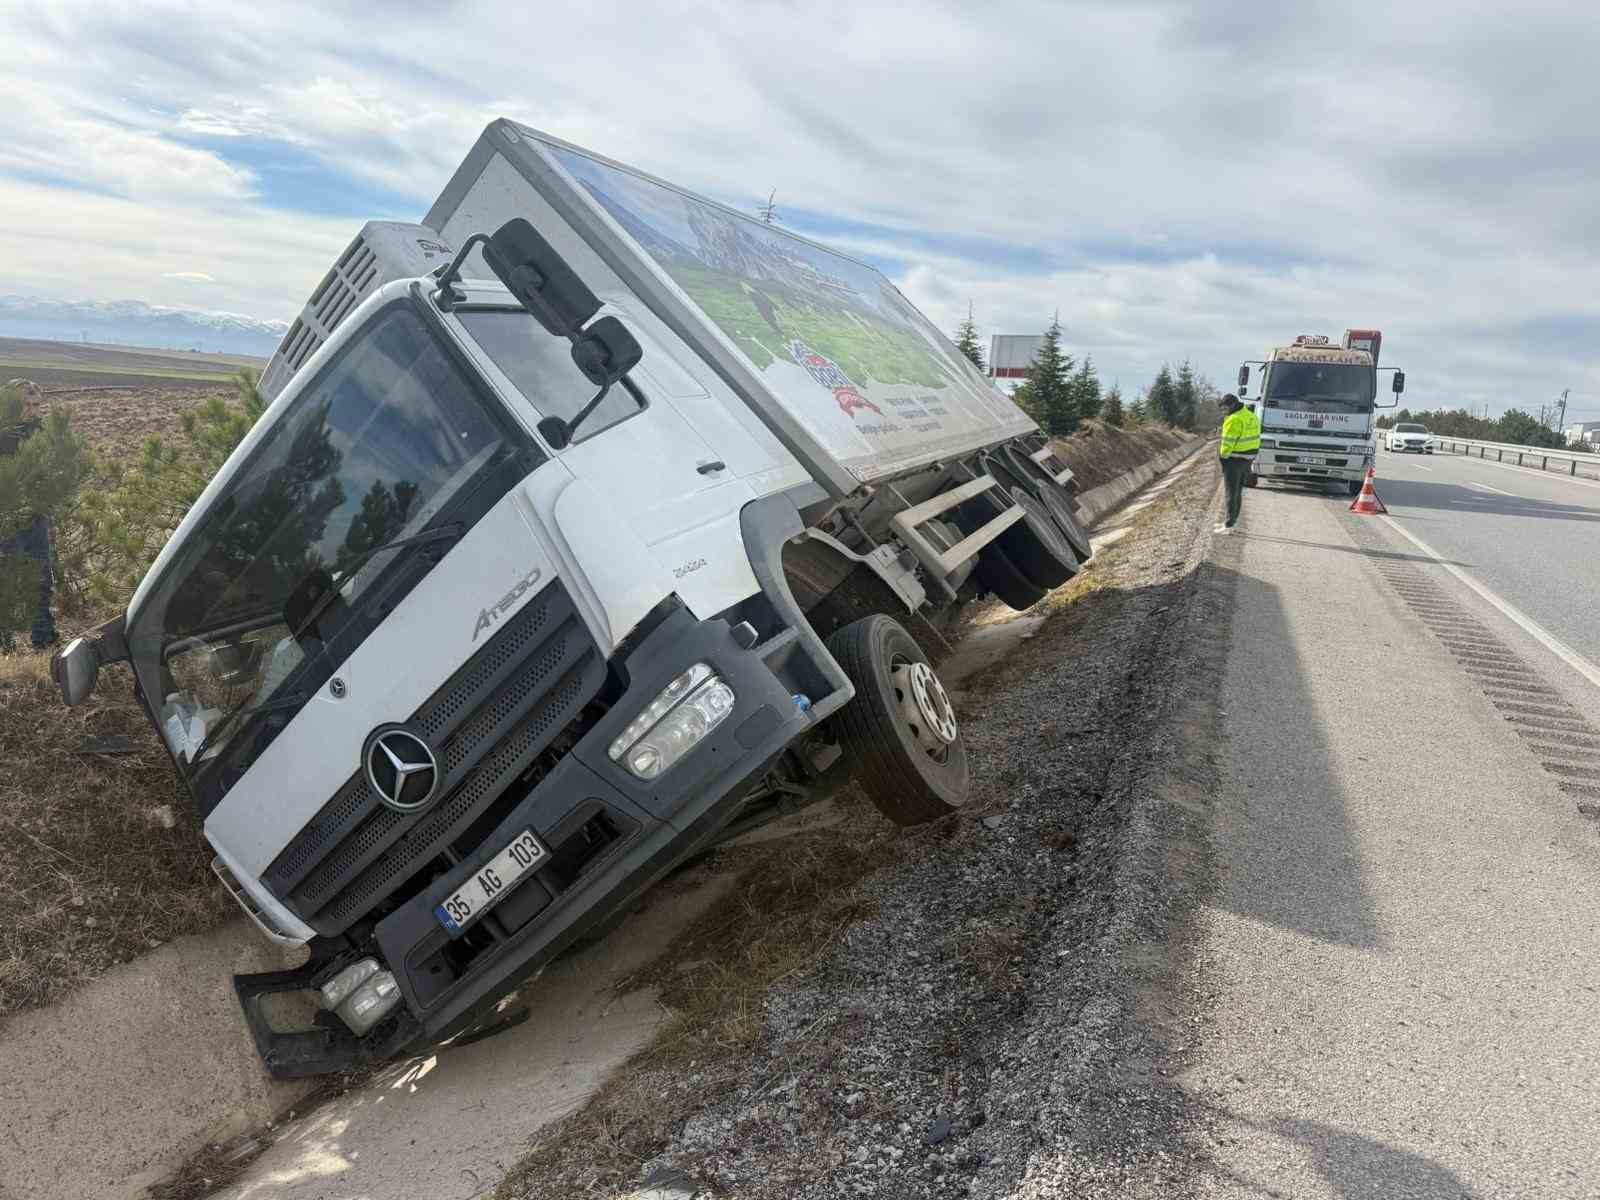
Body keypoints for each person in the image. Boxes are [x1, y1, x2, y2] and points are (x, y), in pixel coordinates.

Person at [1216, 393, 1260, 534]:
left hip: (1233, 460)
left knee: (1230, 493)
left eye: (1224, 409)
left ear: (1232, 405)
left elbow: (1227, 444)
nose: (1224, 412)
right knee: (1237, 492)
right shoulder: (1251, 416)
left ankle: (1229, 526)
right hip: (1247, 459)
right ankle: (1232, 522)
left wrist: (1223, 458)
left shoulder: (1233, 419)